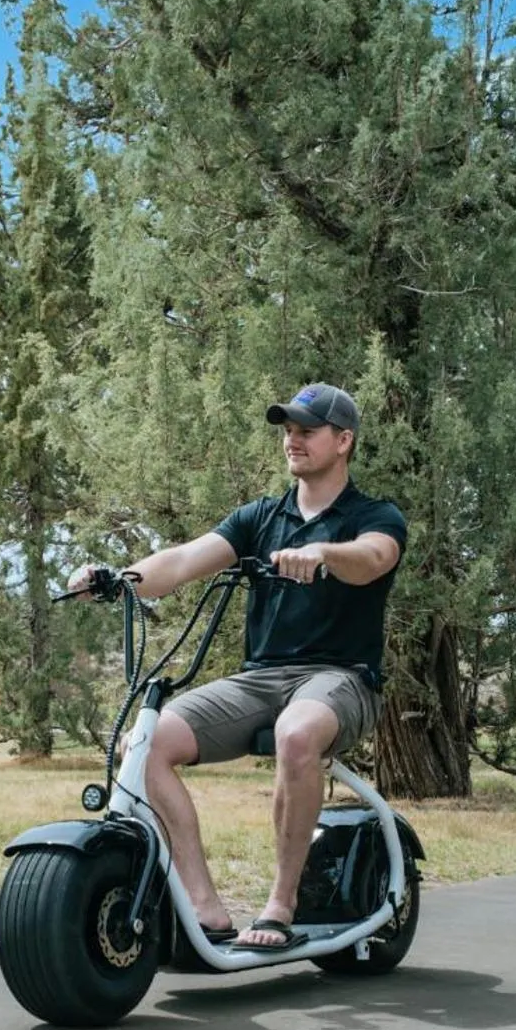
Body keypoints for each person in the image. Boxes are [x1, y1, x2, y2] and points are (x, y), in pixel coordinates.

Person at [67, 383, 407, 950]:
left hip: (342, 678)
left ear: (344, 440)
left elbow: (373, 558)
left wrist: (322, 553)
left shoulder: (374, 515)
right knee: (145, 744)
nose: (293, 440)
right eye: (288, 430)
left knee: (296, 734)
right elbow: (181, 561)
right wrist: (118, 579)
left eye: (307, 430)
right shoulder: (261, 517)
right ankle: (205, 908)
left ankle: (280, 905)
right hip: (260, 678)